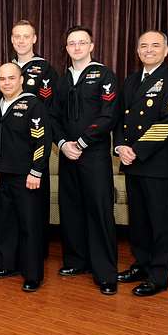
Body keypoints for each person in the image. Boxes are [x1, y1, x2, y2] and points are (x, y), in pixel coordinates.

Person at [115, 30, 168, 296]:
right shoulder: (133, 80)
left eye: (155, 45)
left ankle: (159, 276)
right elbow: (120, 120)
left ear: (166, 51)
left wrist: (137, 149)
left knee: (160, 223)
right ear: (137, 51)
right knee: (139, 221)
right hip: (132, 162)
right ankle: (141, 264)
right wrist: (121, 146)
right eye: (144, 46)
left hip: (156, 164)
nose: (149, 50)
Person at [51, 25, 119, 295]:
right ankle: (76, 261)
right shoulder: (62, 80)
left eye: (82, 42)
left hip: (94, 155)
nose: (77, 47)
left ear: (91, 46)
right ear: (66, 49)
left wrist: (81, 142)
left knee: (99, 211)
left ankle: (105, 273)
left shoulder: (105, 75)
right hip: (68, 155)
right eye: (71, 43)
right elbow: (53, 117)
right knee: (71, 209)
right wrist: (63, 143)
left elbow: (108, 115)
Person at [0, 63, 51, 292]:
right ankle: (8, 265)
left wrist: (36, 171)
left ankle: (33, 274)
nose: (6, 83)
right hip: (3, 174)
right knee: (6, 224)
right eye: (2, 79)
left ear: (21, 80)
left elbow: (42, 141)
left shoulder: (34, 105)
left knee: (29, 226)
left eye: (11, 78)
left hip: (26, 177)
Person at [11, 20, 58, 256]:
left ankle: (37, 252)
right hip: (11, 147)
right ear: (11, 39)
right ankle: (16, 252)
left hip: (34, 143)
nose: (21, 41)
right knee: (13, 204)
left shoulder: (45, 69)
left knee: (34, 202)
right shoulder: (7, 69)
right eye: (17, 36)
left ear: (34, 39)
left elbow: (49, 109)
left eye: (26, 36)